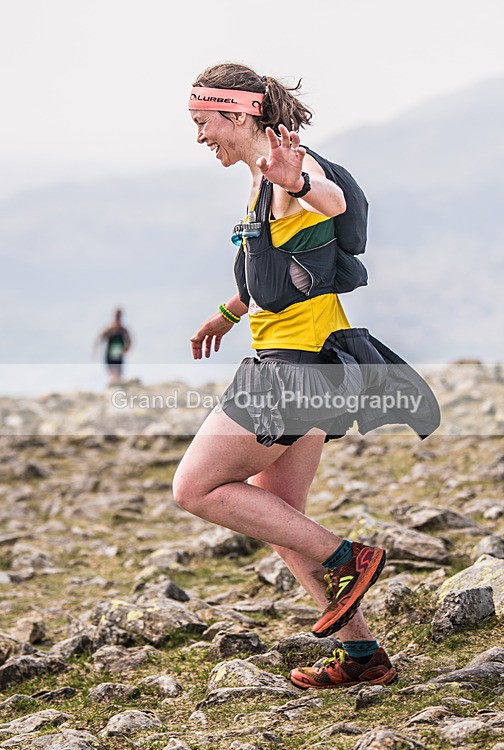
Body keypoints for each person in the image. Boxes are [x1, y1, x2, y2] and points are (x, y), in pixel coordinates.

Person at [173, 64, 440, 689]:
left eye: (204, 123)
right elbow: (280, 264)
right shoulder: (263, 177)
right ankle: (361, 655)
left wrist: (298, 180)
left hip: (295, 372)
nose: (200, 137)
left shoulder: (288, 168)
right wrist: (227, 312)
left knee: (195, 488)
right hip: (316, 364)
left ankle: (350, 558)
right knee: (278, 512)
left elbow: (330, 198)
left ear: (239, 114)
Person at [96, 308, 132, 384]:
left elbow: (129, 341)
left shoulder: (122, 330)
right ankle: (115, 385)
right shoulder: (110, 329)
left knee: (117, 373)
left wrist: (126, 349)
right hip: (110, 353)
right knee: (112, 373)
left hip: (118, 354)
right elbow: (101, 338)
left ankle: (117, 386)